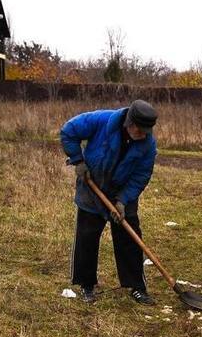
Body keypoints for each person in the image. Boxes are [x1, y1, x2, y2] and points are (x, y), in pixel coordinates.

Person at [61, 100, 158, 305]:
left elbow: (141, 176)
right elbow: (69, 130)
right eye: (140, 131)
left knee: (130, 239)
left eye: (146, 132)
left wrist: (123, 201)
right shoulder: (101, 120)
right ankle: (87, 285)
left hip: (122, 192)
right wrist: (77, 160)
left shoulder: (148, 144)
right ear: (129, 124)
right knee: (87, 237)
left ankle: (136, 287)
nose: (143, 135)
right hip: (92, 186)